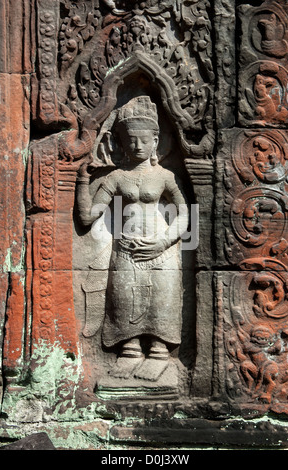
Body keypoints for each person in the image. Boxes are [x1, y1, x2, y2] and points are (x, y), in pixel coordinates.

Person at [77, 96, 189, 381]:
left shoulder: (164, 176)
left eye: (143, 140)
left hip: (160, 249)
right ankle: (129, 351)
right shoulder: (117, 178)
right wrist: (81, 181)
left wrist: (164, 241)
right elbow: (89, 216)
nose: (137, 146)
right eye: (130, 140)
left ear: (156, 142)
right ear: (121, 142)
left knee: (161, 300)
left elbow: (186, 214)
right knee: (124, 301)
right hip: (126, 249)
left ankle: (159, 353)